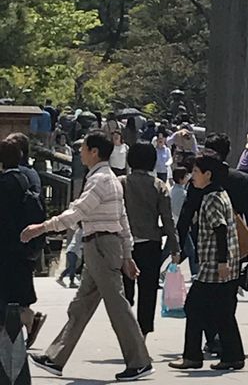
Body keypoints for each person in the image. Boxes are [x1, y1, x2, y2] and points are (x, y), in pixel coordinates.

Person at [22, 130, 153, 382]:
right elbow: (122, 219)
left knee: (117, 306)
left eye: (83, 149)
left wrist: (41, 227)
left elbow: (77, 213)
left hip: (101, 246)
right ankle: (55, 357)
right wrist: (126, 254)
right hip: (102, 246)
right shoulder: (110, 178)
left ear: (94, 152)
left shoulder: (100, 180)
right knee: (81, 306)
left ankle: (139, 361)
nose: (80, 152)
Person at [169, 150, 244, 372]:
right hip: (225, 264)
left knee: (193, 307)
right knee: (223, 312)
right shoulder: (221, 194)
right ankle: (233, 356)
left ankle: (192, 356)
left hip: (213, 266)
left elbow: (219, 229)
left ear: (208, 174)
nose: (192, 176)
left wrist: (221, 262)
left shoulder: (210, 199)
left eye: (196, 171)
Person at [120, 142, 180, 338]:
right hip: (151, 244)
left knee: (125, 291)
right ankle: (143, 331)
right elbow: (168, 218)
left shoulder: (121, 183)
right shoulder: (159, 185)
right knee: (148, 290)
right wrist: (174, 245)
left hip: (124, 243)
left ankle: (127, 330)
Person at [0, 139, 46, 349]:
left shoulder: (4, 184)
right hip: (23, 246)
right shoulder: (26, 178)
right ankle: (27, 319)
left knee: (6, 297)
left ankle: (26, 321)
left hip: (6, 249)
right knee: (15, 296)